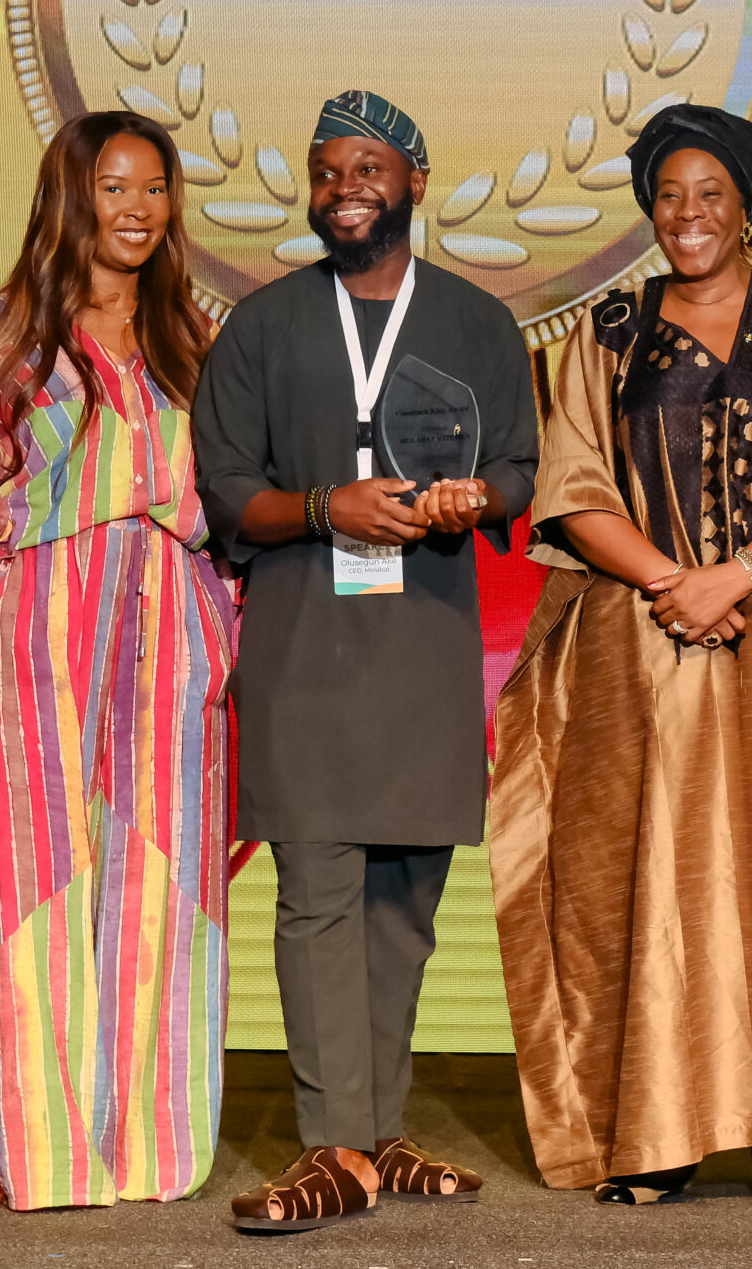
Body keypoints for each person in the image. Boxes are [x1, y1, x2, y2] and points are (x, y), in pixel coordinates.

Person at [490, 102, 752, 1207]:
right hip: (639, 649)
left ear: (746, 210)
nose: (688, 215)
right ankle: (652, 1137)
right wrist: (671, 582)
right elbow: (572, 483)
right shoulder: (609, 330)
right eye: (670, 196)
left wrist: (740, 575)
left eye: (710, 196)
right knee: (645, 882)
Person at [191, 88, 539, 1234]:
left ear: (415, 184)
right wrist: (327, 505)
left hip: (426, 650)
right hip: (305, 646)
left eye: (370, 168)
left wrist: (472, 495)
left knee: (402, 904)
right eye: (328, 168)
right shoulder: (263, 326)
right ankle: (330, 1145)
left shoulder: (479, 324)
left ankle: (375, 1132)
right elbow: (228, 491)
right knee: (318, 894)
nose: (346, 185)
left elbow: (521, 472)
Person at [0, 110, 239, 1206]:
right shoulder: (11, 329)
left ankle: (147, 1146)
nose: (138, 210)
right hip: (43, 637)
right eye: (114, 188)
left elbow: (232, 494)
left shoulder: (191, 333)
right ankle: (44, 1148)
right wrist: (19, 599)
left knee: (163, 879)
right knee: (38, 877)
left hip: (174, 636)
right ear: (73, 196)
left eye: (155, 189)